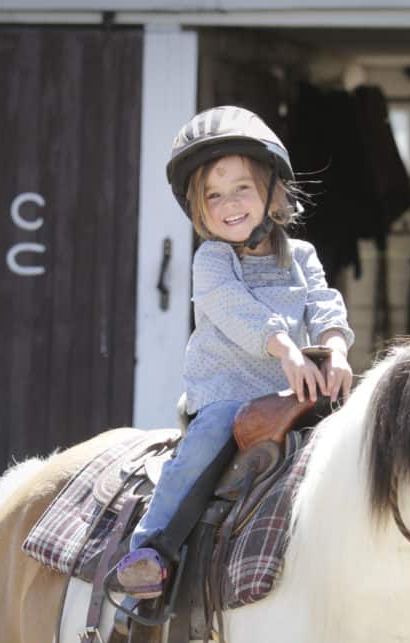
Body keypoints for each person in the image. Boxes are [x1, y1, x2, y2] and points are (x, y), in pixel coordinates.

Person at [115, 106, 354, 599]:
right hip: (230, 393)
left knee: (369, 441)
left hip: (296, 391)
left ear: (272, 191)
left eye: (241, 188)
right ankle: (151, 547)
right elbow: (234, 310)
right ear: (199, 208)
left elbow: (323, 302)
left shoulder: (301, 256)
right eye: (213, 195)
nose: (229, 203)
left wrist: (335, 347)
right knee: (208, 440)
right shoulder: (213, 260)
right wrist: (285, 347)